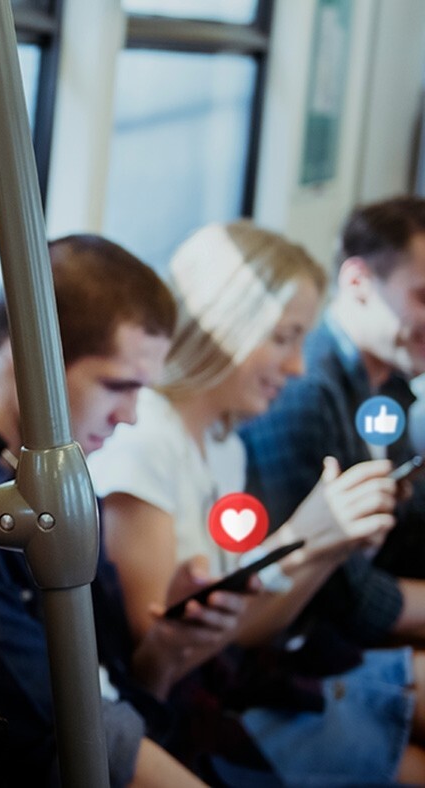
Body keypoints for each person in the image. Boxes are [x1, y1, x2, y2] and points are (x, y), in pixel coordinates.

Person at [88, 221, 425, 785]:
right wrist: (305, 540)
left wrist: (325, 548)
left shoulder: (223, 446)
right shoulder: (146, 445)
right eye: (283, 338)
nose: (296, 367)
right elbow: (168, 667)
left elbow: (248, 630)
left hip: (241, 680)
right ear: (225, 326)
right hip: (190, 713)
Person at [0, 235, 228, 787]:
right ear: (31, 359)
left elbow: (117, 686)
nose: (132, 417)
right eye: (118, 385)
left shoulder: (65, 487)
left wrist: (165, 650)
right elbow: (53, 727)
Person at [242, 196, 425, 648]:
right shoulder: (305, 395)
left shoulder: (392, 383)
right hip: (311, 644)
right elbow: (340, 596)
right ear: (359, 280)